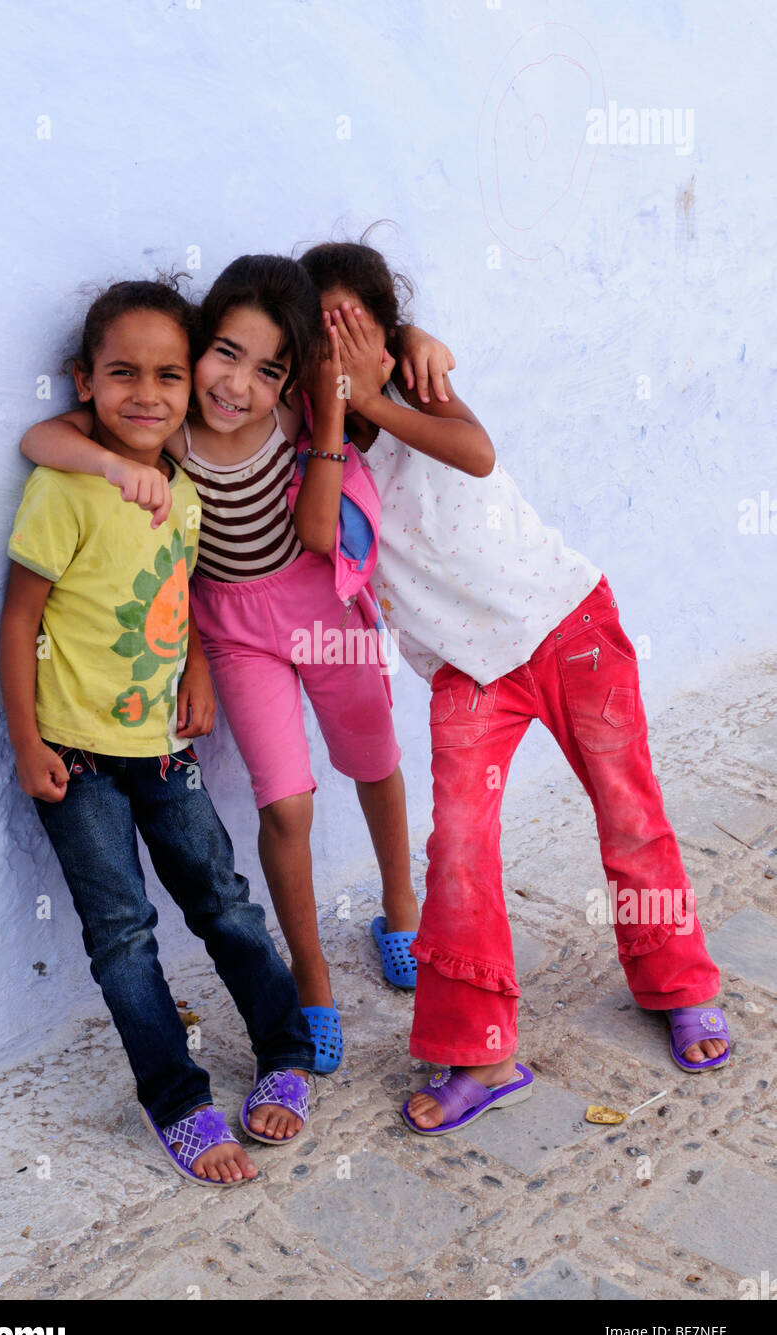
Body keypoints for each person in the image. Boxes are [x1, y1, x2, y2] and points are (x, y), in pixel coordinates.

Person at [295, 237, 730, 1135]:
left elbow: (477, 454)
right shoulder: (314, 447)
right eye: (320, 344)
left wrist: (392, 373)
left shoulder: (422, 390)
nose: (339, 358)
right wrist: (340, 411)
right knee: (456, 846)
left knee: (628, 808)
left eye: (357, 332)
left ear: (389, 332)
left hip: (566, 624)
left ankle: (676, 980)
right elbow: (316, 533)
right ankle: (479, 1052)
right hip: (466, 672)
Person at [0, 278, 314, 1184]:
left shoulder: (183, 490)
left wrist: (204, 669)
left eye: (168, 375)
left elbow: (179, 592)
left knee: (222, 903)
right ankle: (176, 1100)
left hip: (166, 754)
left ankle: (286, 1050)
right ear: (83, 382)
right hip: (77, 757)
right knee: (123, 935)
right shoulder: (64, 486)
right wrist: (28, 743)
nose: (147, 393)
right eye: (122, 373)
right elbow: (20, 620)